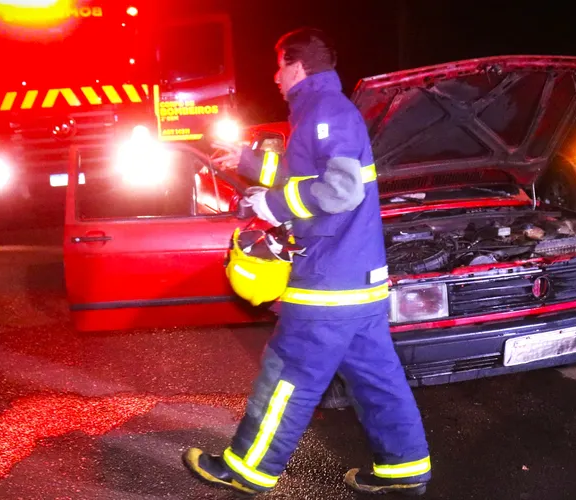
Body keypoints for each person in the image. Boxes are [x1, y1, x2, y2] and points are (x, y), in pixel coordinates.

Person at [181, 27, 432, 496]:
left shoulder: (324, 112)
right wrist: (252, 163)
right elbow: (306, 175)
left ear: (297, 66)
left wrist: (272, 207)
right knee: (379, 383)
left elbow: (339, 190)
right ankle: (404, 473)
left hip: (328, 285)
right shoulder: (326, 112)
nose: (275, 77)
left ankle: (246, 469)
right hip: (358, 283)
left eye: (279, 66)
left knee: (287, 377)